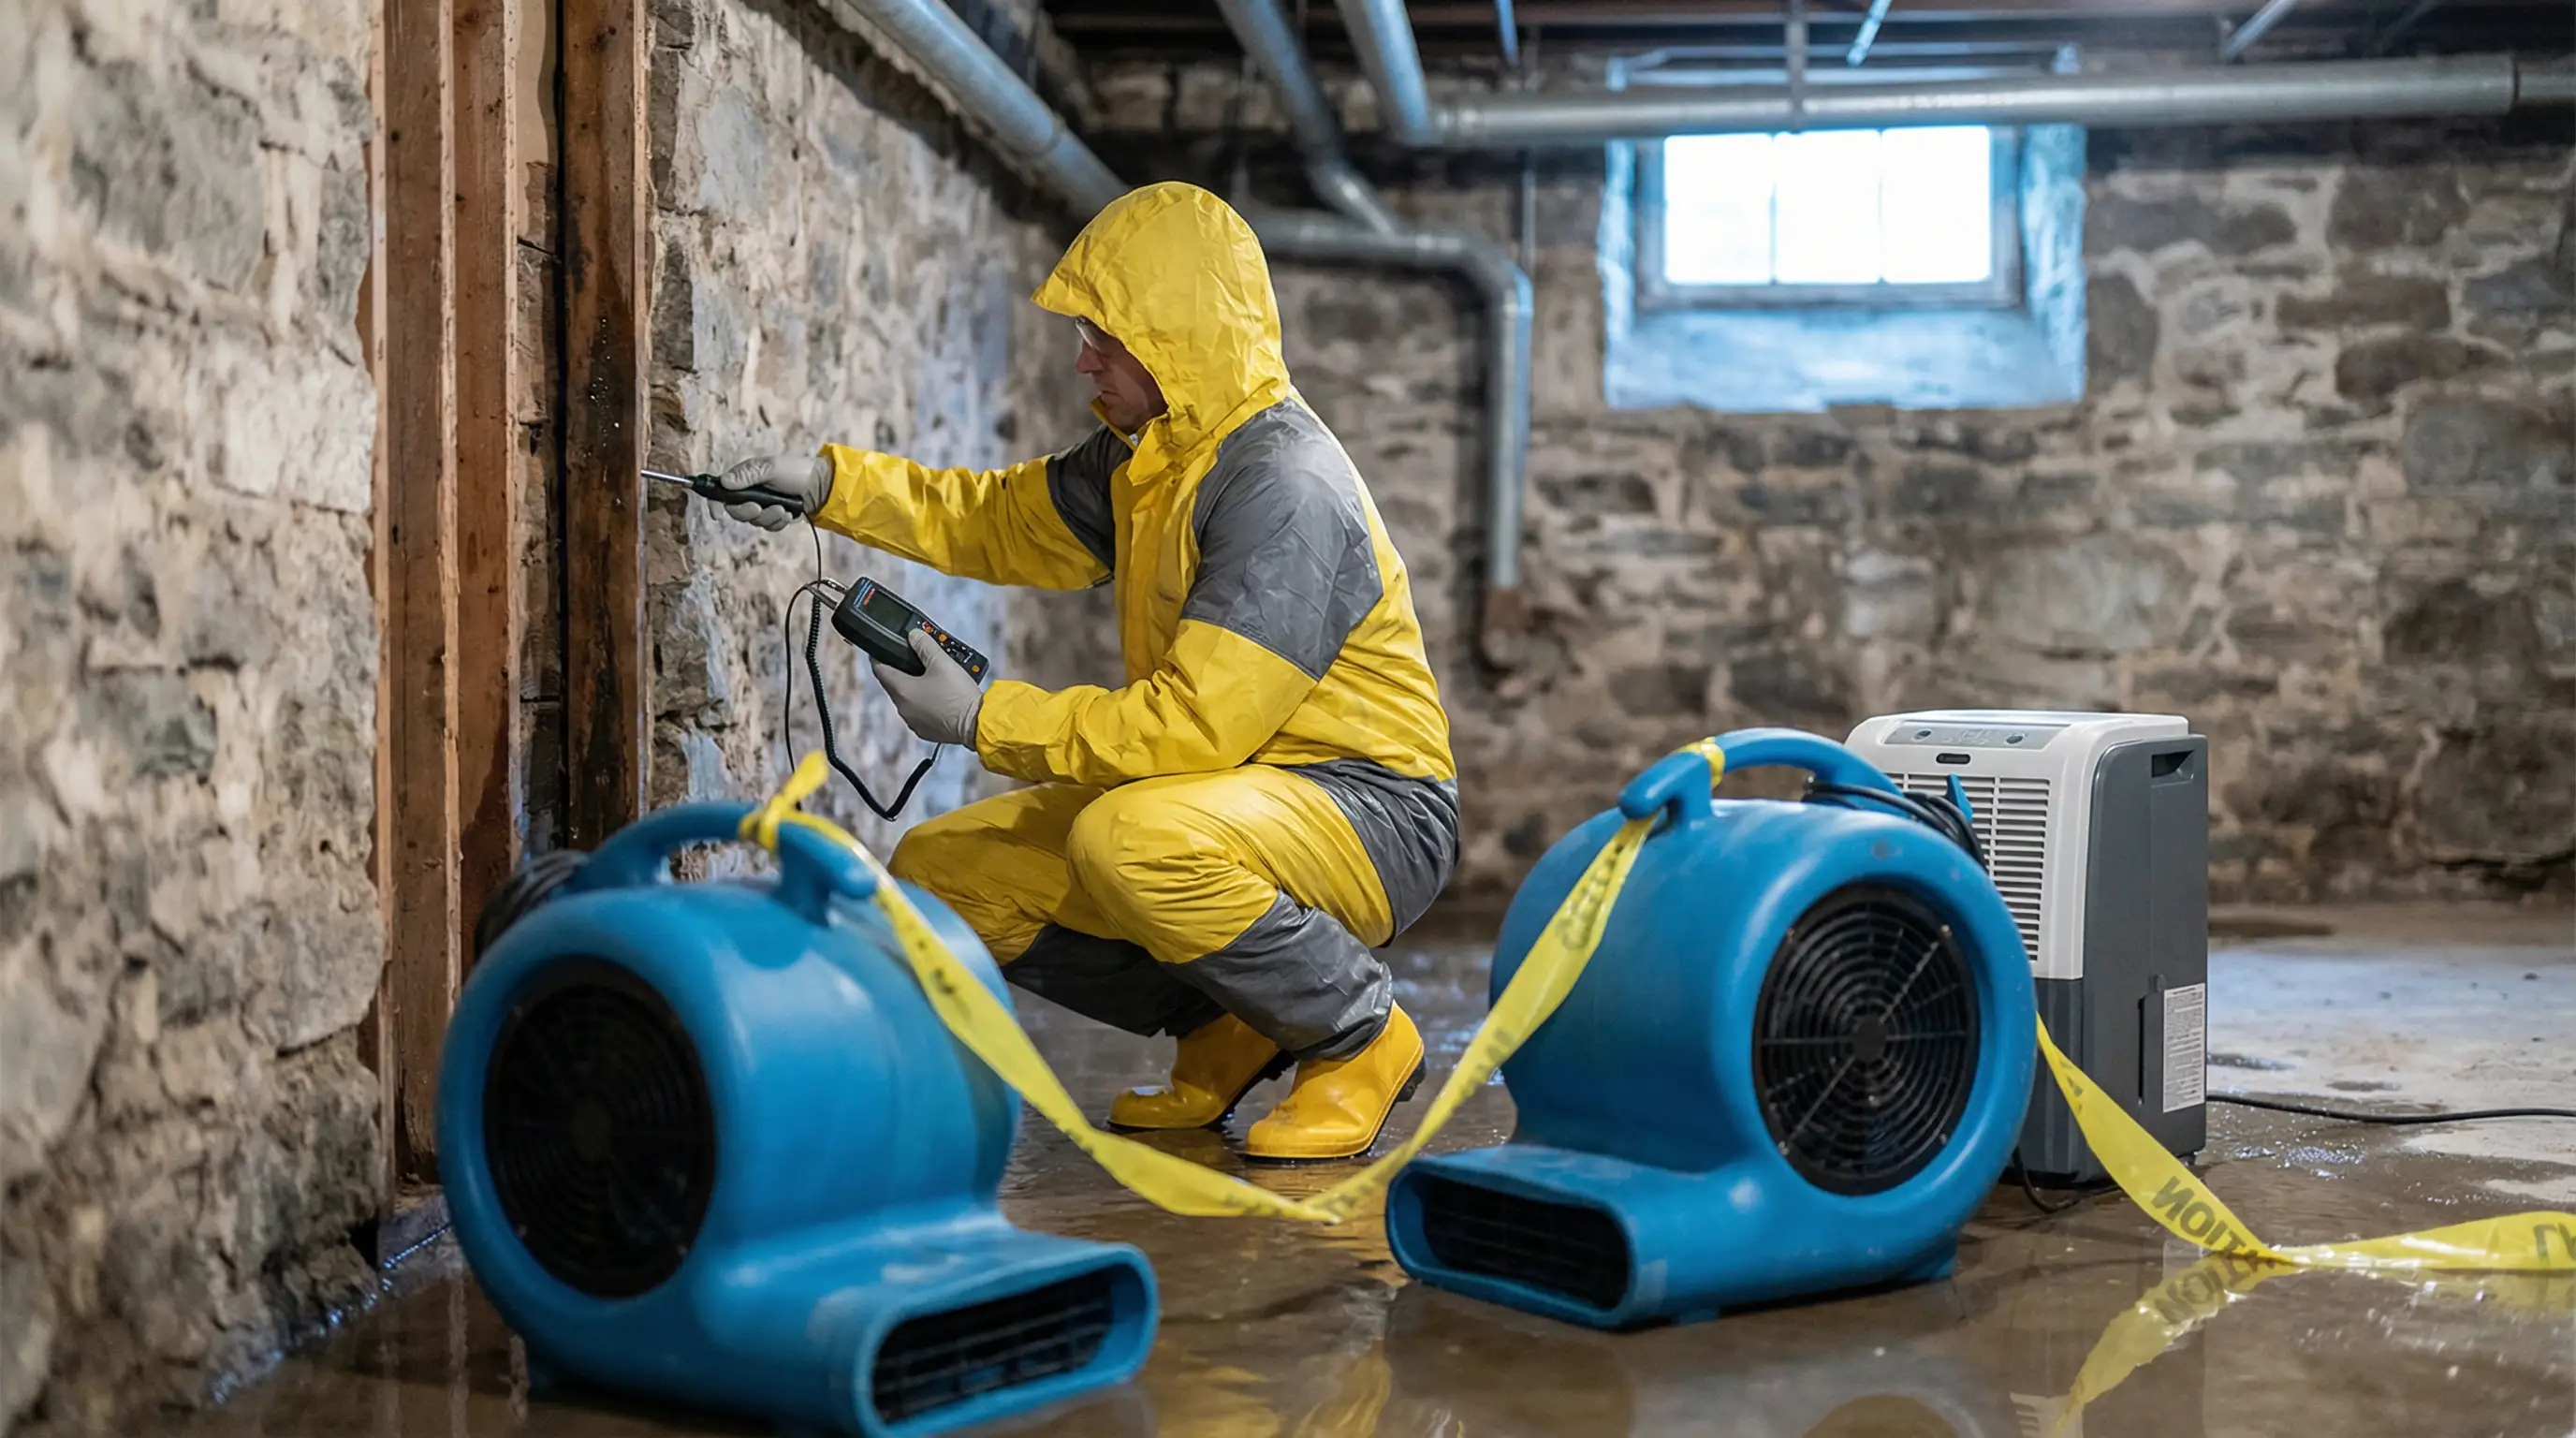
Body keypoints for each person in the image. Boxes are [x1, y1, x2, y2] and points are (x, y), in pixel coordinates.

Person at [711, 183, 1457, 1163]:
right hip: (1232, 795)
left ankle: (1358, 1034)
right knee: (946, 877)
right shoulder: (1153, 454)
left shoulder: (1284, 489)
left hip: (1371, 809)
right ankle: (1230, 1020)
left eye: (1104, 336)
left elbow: (1191, 729)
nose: (1083, 360)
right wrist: (827, 486)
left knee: (1128, 837)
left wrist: (983, 717)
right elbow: (998, 520)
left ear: (1179, 334)